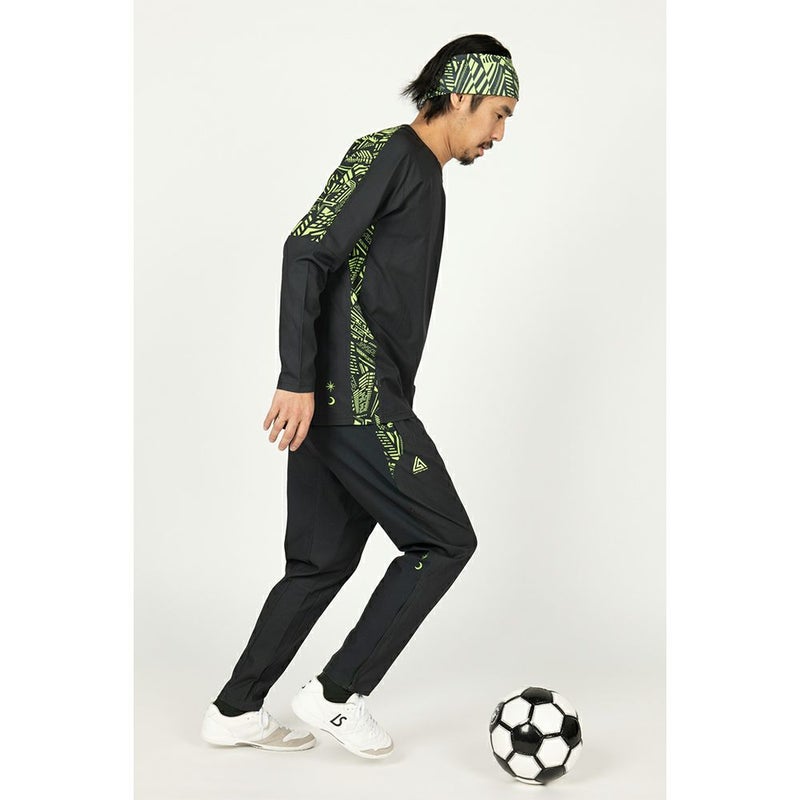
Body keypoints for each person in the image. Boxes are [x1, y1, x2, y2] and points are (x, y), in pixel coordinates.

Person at [201, 33, 519, 760]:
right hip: (358, 400)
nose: (500, 134)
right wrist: (296, 376)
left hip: (342, 402)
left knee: (318, 564)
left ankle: (235, 710)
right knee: (445, 540)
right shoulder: (390, 154)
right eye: (498, 114)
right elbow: (306, 248)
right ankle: (337, 694)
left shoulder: (422, 175)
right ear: (460, 95)